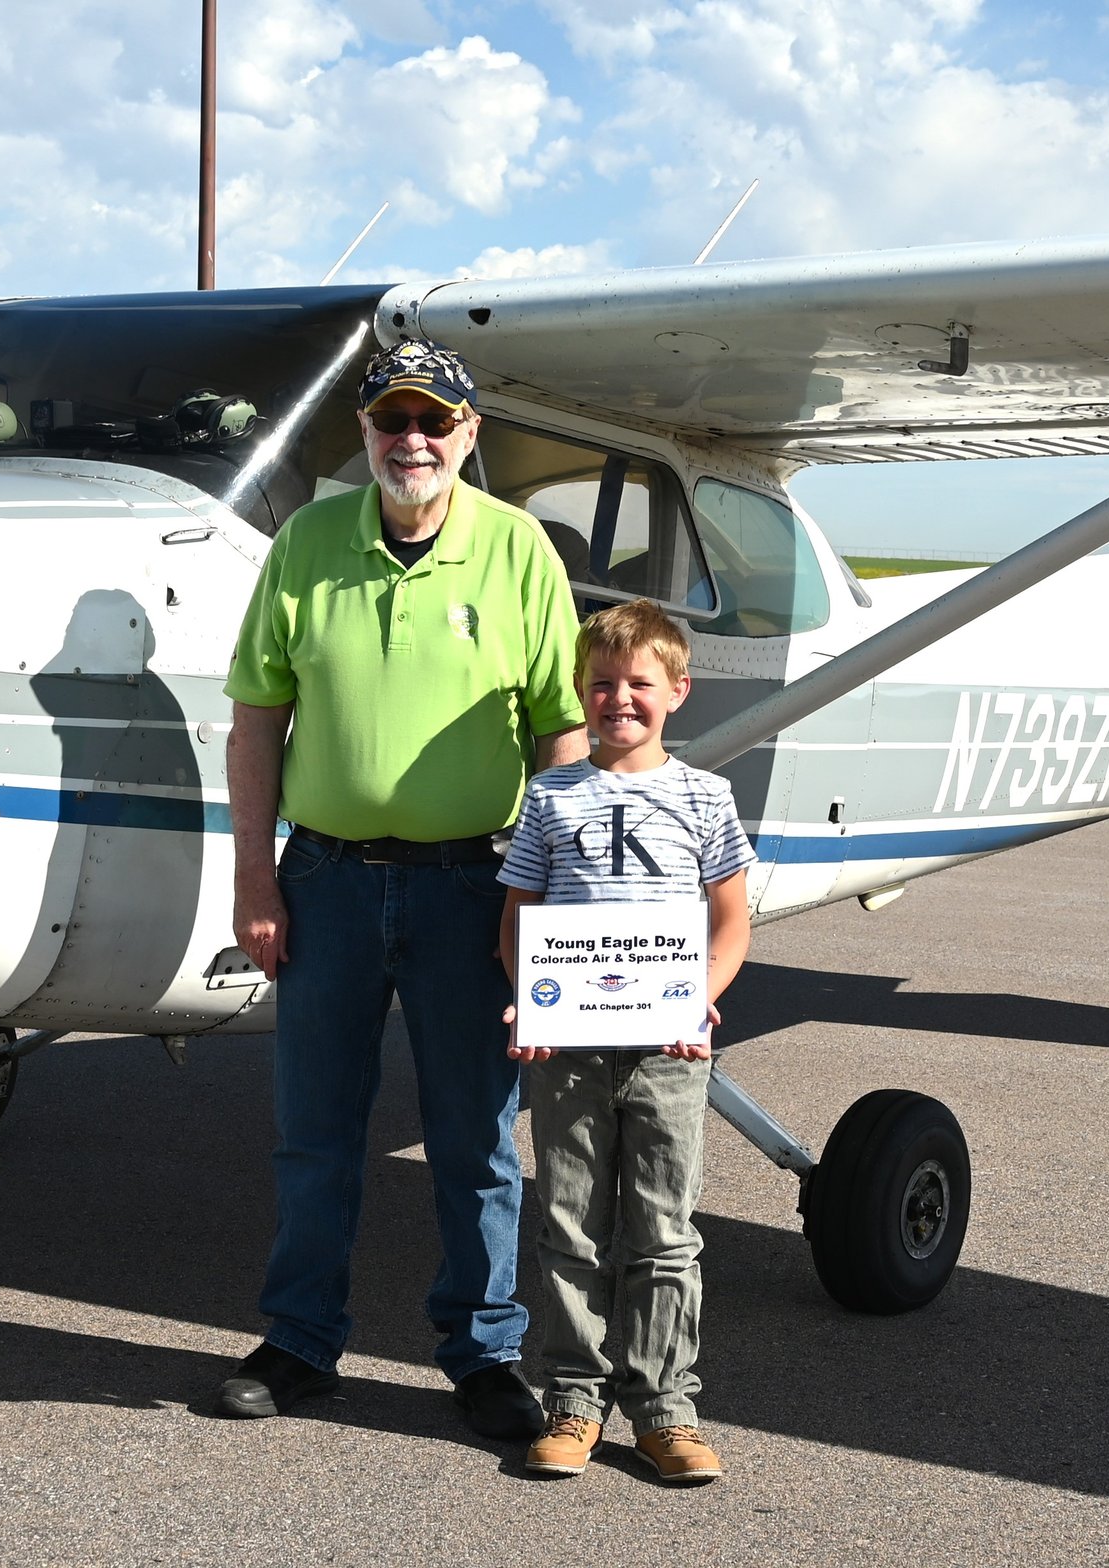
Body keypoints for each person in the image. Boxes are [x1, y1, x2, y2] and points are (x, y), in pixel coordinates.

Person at [216, 338, 589, 1440]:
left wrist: (551, 914)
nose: (412, 439)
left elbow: (561, 737)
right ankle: (298, 1338)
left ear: (469, 434)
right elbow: (255, 721)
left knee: (475, 1134)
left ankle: (484, 1352)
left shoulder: (519, 552)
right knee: (313, 1127)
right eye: (391, 420)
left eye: (435, 420)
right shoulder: (307, 545)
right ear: (366, 434)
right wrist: (253, 874)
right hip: (323, 877)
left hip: (474, 883)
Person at [498, 599, 755, 1485]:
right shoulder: (550, 796)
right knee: (570, 1223)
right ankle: (572, 1400)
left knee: (663, 1230)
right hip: (566, 1052)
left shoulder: (707, 796)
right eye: (601, 685)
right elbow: (517, 923)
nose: (619, 700)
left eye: (639, 684)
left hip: (668, 1056)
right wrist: (530, 1005)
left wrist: (697, 999)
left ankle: (664, 1410)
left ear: (677, 691)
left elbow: (730, 925)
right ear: (581, 693)